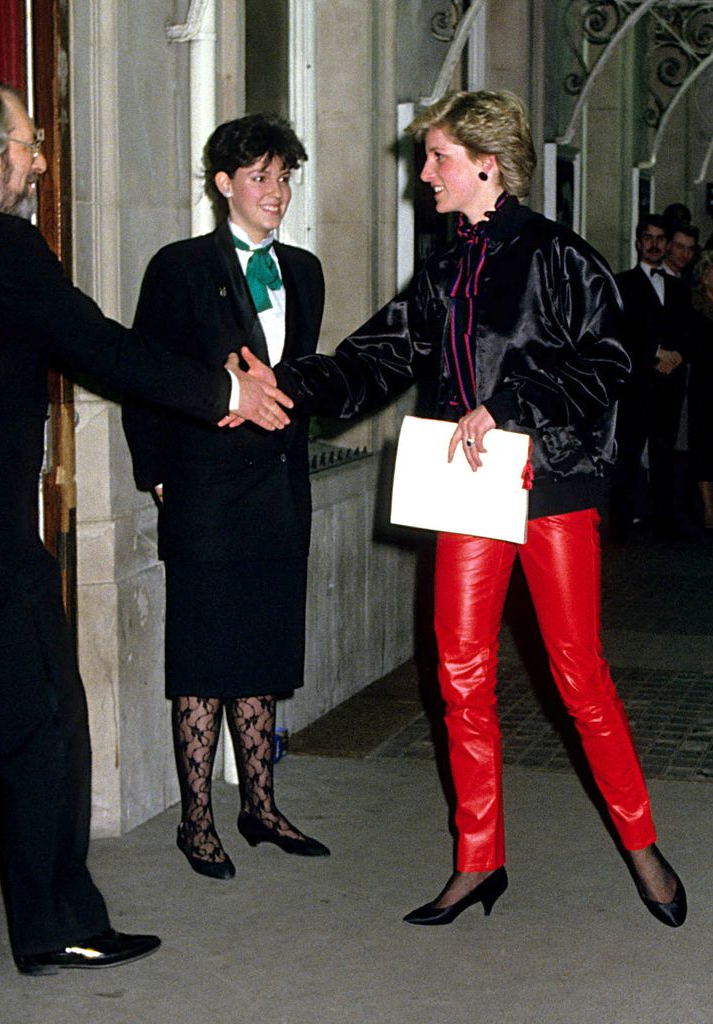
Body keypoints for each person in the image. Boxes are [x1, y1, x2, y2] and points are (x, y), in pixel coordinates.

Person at [240, 89, 686, 928]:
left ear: (487, 162)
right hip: (466, 487)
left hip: (550, 484)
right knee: (459, 675)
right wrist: (288, 382)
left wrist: (511, 400)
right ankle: (478, 860)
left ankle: (642, 846)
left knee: (578, 676)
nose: (425, 174)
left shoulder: (559, 256)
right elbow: (374, 358)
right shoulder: (446, 269)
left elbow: (611, 357)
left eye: (437, 157)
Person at [0, 77, 293, 975]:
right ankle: (56, 922)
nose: (37, 157)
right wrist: (228, 390)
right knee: (47, 726)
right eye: (26, 143)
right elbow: (101, 345)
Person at [122, 114, 329, 882]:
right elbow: (142, 375)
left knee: (264, 649)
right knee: (205, 657)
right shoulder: (178, 267)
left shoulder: (303, 270)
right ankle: (197, 819)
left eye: (284, 178)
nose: (275, 193)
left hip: (277, 488)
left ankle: (261, 807)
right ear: (223, 184)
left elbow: (300, 377)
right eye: (259, 178)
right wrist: (158, 475)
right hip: (205, 488)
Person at [613, 216, 694, 540]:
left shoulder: (678, 287)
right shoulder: (623, 283)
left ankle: (663, 521)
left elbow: (690, 329)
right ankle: (620, 523)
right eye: (648, 237)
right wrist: (654, 354)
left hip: (670, 383)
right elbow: (620, 331)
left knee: (664, 454)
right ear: (637, 242)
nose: (655, 244)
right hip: (637, 383)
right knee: (629, 452)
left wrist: (678, 355)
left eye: (661, 238)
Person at [688, 257, 713, 530]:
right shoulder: (696, 307)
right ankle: (708, 511)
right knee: (705, 449)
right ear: (705, 276)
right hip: (705, 387)